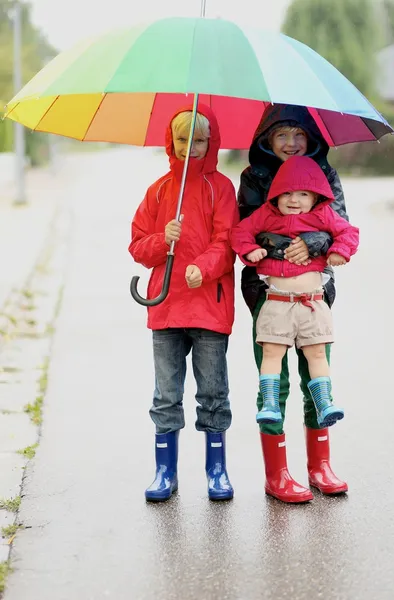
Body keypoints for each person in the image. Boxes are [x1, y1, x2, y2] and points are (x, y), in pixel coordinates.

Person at [237, 104, 350, 502]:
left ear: (312, 138)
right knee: (274, 376)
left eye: (299, 134)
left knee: (316, 368)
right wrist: (290, 248)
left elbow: (340, 225)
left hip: (315, 287)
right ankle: (277, 471)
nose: (291, 142)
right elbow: (247, 227)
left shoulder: (326, 175)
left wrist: (316, 244)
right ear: (266, 138)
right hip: (267, 289)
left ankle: (320, 464)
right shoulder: (254, 177)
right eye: (282, 134)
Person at [129, 104, 239, 502]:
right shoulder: (159, 191)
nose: (190, 146)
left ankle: (217, 469)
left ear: (211, 143)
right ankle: (165, 471)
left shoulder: (221, 188)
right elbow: (138, 246)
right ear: (169, 141)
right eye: (182, 138)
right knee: (166, 395)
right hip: (166, 308)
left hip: (208, 307)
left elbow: (227, 244)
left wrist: (203, 268)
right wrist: (163, 238)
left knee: (213, 392)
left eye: (199, 139)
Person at [232, 154, 359, 429]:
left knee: (316, 353)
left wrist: (337, 250)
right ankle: (269, 403)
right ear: (275, 194)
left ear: (316, 197)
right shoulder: (266, 214)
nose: (294, 200)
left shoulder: (323, 215)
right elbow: (240, 232)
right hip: (276, 301)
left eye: (303, 194)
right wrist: (251, 249)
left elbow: (349, 233)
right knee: (272, 352)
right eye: (286, 192)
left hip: (312, 302)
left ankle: (324, 402)